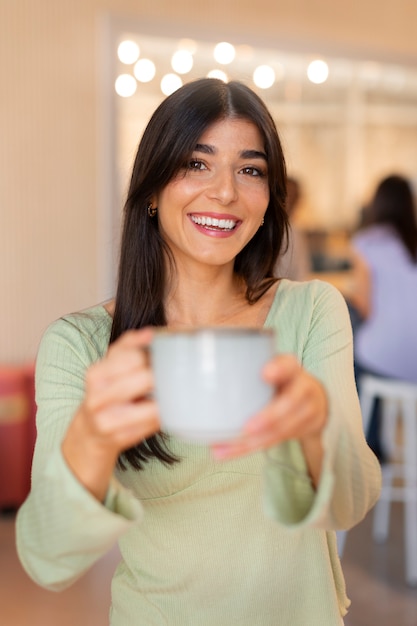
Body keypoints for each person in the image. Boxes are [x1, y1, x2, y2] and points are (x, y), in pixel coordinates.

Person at [16, 78, 381, 626]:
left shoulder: (311, 311)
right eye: (196, 163)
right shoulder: (82, 345)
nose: (226, 192)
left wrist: (315, 430)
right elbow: (48, 561)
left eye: (251, 169)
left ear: (268, 199)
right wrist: (91, 440)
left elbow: (352, 502)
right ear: (149, 189)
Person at [348, 174, 417, 460]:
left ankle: (368, 444)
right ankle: (375, 442)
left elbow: (366, 305)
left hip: (385, 359)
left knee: (355, 356)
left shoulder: (366, 242)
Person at [274, 176, 311, 280]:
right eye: (286, 196)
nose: (288, 201)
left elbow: (302, 273)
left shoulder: (295, 232)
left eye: (293, 197)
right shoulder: (265, 230)